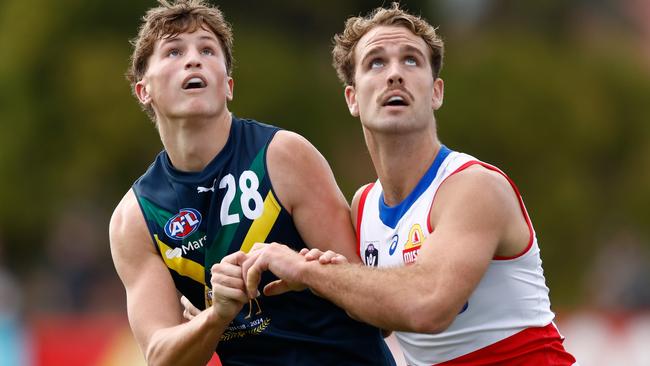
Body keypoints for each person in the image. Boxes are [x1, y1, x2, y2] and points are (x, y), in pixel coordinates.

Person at [241, 3, 578, 365]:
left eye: (412, 60)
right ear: (352, 99)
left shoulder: (473, 187)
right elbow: (373, 313)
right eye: (376, 62)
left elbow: (426, 306)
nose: (395, 75)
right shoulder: (364, 204)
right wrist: (233, 326)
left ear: (436, 92)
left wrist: (308, 270)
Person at [108, 0, 396, 365]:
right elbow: (160, 356)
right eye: (174, 51)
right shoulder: (134, 217)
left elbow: (378, 313)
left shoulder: (284, 156)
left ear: (228, 85)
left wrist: (304, 271)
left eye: (207, 49)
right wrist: (218, 315)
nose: (193, 59)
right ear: (143, 90)